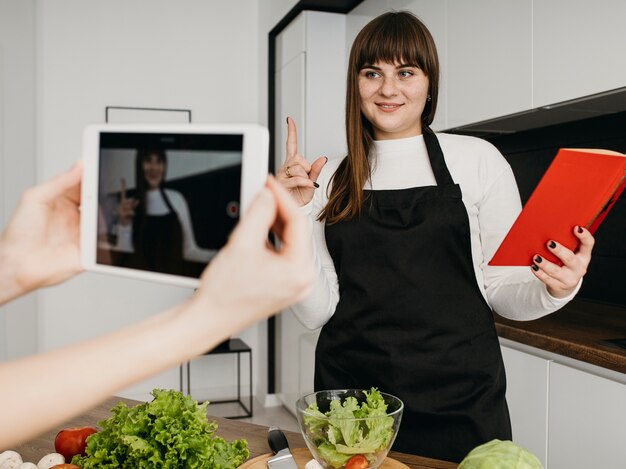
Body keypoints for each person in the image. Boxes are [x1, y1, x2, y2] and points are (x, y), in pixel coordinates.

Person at [276, 11, 594, 462]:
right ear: (356, 83)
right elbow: (316, 312)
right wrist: (294, 219)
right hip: (355, 407)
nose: (389, 89)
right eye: (373, 73)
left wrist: (555, 289)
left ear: (429, 83)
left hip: (461, 398)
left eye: (406, 72)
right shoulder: (327, 179)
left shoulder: (478, 160)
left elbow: (503, 291)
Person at [0, 161, 313, 448]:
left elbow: (189, 247)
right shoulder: (131, 203)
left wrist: (12, 267)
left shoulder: (175, 199)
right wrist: (200, 322)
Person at [112, 148, 216, 275]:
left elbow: (189, 251)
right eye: (148, 160)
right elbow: (123, 260)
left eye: (159, 161)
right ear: (139, 164)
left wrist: (220, 256)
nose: (154, 167)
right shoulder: (130, 205)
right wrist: (124, 225)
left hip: (173, 280)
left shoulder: (176, 199)